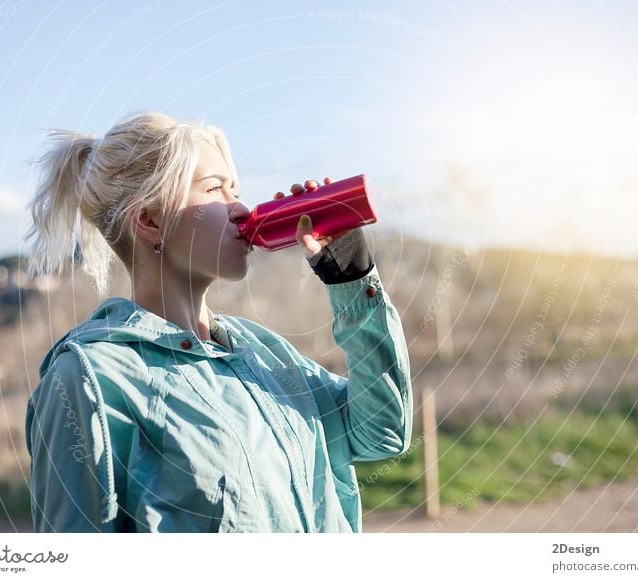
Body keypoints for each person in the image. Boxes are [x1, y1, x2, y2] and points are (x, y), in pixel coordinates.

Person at [22, 111, 413, 532]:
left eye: (236, 190)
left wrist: (352, 276)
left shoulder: (264, 353)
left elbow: (382, 432)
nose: (241, 208)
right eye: (215, 189)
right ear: (150, 220)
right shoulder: (88, 381)